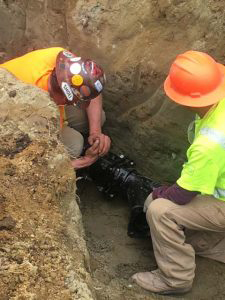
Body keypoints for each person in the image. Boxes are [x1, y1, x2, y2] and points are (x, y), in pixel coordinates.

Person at [132, 50, 225, 295]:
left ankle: (175, 278)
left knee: (160, 210)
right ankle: (214, 242)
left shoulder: (210, 143)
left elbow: (182, 194)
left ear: (187, 99)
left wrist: (158, 193)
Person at [0, 47, 111, 169]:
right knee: (75, 146)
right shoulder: (30, 109)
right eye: (73, 102)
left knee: (99, 117)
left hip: (48, 97)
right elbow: (27, 164)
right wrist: (79, 163)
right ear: (64, 100)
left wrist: (95, 131)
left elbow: (91, 85)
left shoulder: (63, 61)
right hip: (17, 115)